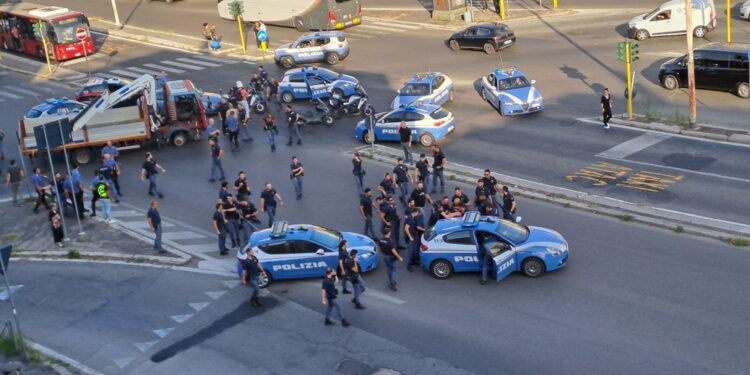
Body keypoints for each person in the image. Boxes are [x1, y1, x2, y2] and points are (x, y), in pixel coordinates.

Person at [404, 208, 424, 272]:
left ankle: (414, 261)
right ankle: (409, 264)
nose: (418, 214)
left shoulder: (413, 218)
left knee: (415, 249)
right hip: (411, 236)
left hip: (414, 235)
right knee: (410, 250)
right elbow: (406, 228)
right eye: (418, 213)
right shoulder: (409, 218)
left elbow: (417, 227)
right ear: (415, 212)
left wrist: (424, 230)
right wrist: (410, 237)